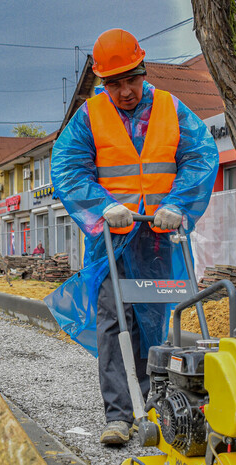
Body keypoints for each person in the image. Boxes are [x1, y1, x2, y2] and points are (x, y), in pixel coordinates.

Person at [44, 29, 218, 445]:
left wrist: (178, 203)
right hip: (111, 236)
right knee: (114, 321)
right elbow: (69, 168)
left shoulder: (172, 109)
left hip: (158, 234)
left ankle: (156, 404)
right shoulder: (89, 116)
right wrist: (102, 206)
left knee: (155, 321)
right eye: (114, 83)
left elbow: (200, 156)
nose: (124, 91)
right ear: (103, 83)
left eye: (130, 79)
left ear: (143, 71)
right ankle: (119, 416)